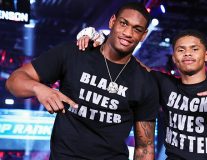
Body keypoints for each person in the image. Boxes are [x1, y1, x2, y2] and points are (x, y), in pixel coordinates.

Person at [77, 28, 207, 159]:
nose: (187, 53)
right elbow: (133, 64)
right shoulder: (165, 83)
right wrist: (104, 40)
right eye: (181, 50)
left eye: (194, 49)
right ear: (174, 58)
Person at [6, 2, 159, 160]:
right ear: (112, 22)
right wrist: (38, 88)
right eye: (123, 23)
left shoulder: (145, 82)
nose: (128, 32)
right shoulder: (74, 53)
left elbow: (145, 147)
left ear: (144, 35)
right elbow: (13, 81)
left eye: (137, 29)